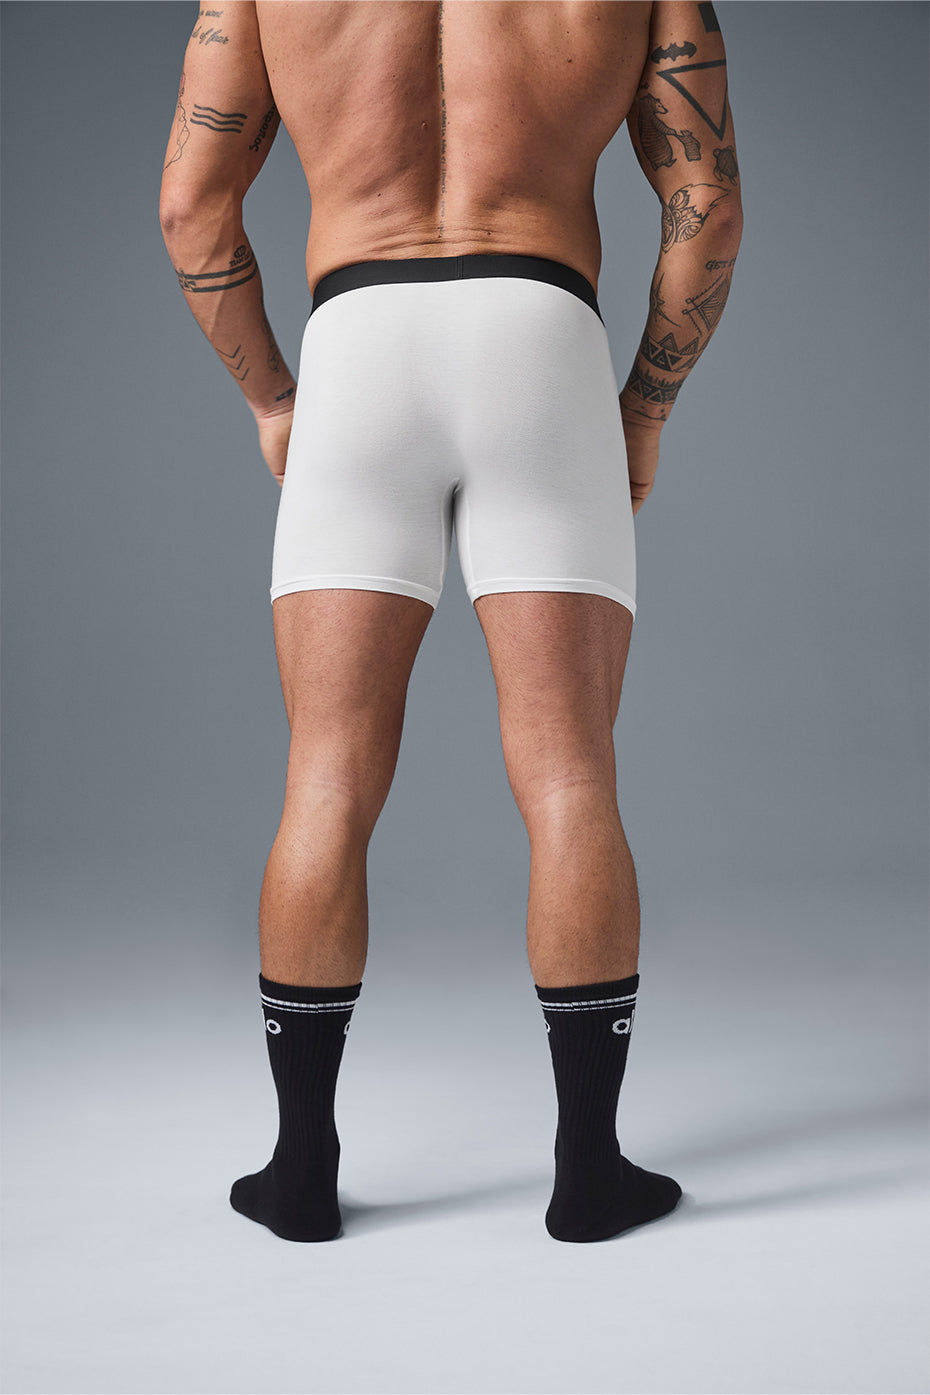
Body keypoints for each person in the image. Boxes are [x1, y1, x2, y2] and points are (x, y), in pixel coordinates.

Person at [160, 0, 742, 1244]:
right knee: (571, 776)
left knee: (325, 778)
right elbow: (707, 204)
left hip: (357, 342)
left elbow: (191, 206)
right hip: (543, 339)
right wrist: (642, 413)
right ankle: (590, 1172)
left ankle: (299, 1170)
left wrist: (276, 402)